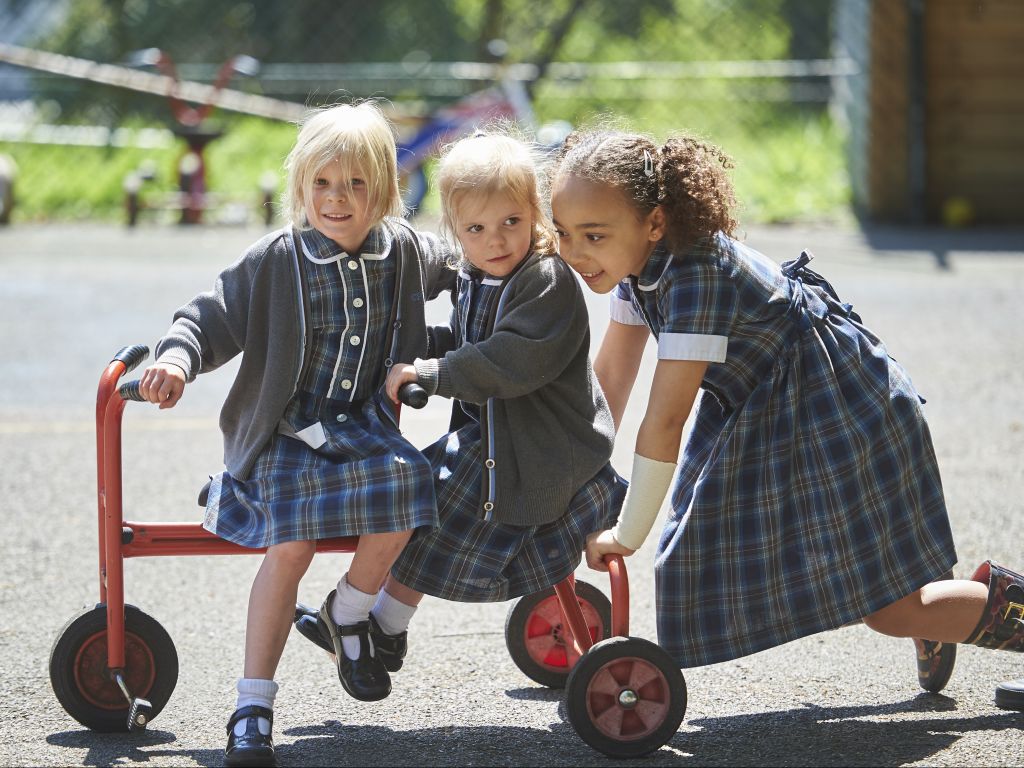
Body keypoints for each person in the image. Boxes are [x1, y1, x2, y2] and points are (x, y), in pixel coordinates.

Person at [548, 128, 1024, 710]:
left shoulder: (695, 276)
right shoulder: (637, 264)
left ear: (654, 222)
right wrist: (570, 475)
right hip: (775, 412)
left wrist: (626, 533)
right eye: (564, 232)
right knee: (726, 548)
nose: (574, 252)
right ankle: (943, 607)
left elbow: (664, 421)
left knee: (889, 611)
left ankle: (959, 609)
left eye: (593, 235)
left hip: (839, 413)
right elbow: (611, 383)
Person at [138, 102, 455, 767]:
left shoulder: (400, 249)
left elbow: (471, 259)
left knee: (411, 483)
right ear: (301, 188)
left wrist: (519, 256)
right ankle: (253, 704)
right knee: (292, 544)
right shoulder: (278, 258)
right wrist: (175, 357)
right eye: (323, 184)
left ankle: (348, 610)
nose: (338, 200)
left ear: (386, 192)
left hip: (362, 427)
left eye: (356, 185)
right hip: (285, 429)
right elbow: (211, 313)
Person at [293, 129, 625, 664]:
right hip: (494, 436)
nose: (496, 240)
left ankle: (358, 613)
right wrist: (409, 349)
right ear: (455, 231)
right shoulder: (476, 274)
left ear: (535, 213)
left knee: (429, 502)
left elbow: (511, 359)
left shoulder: (543, 280)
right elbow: (470, 342)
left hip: (543, 448)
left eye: (511, 223)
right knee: (417, 497)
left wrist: (432, 371)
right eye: (477, 228)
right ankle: (382, 624)